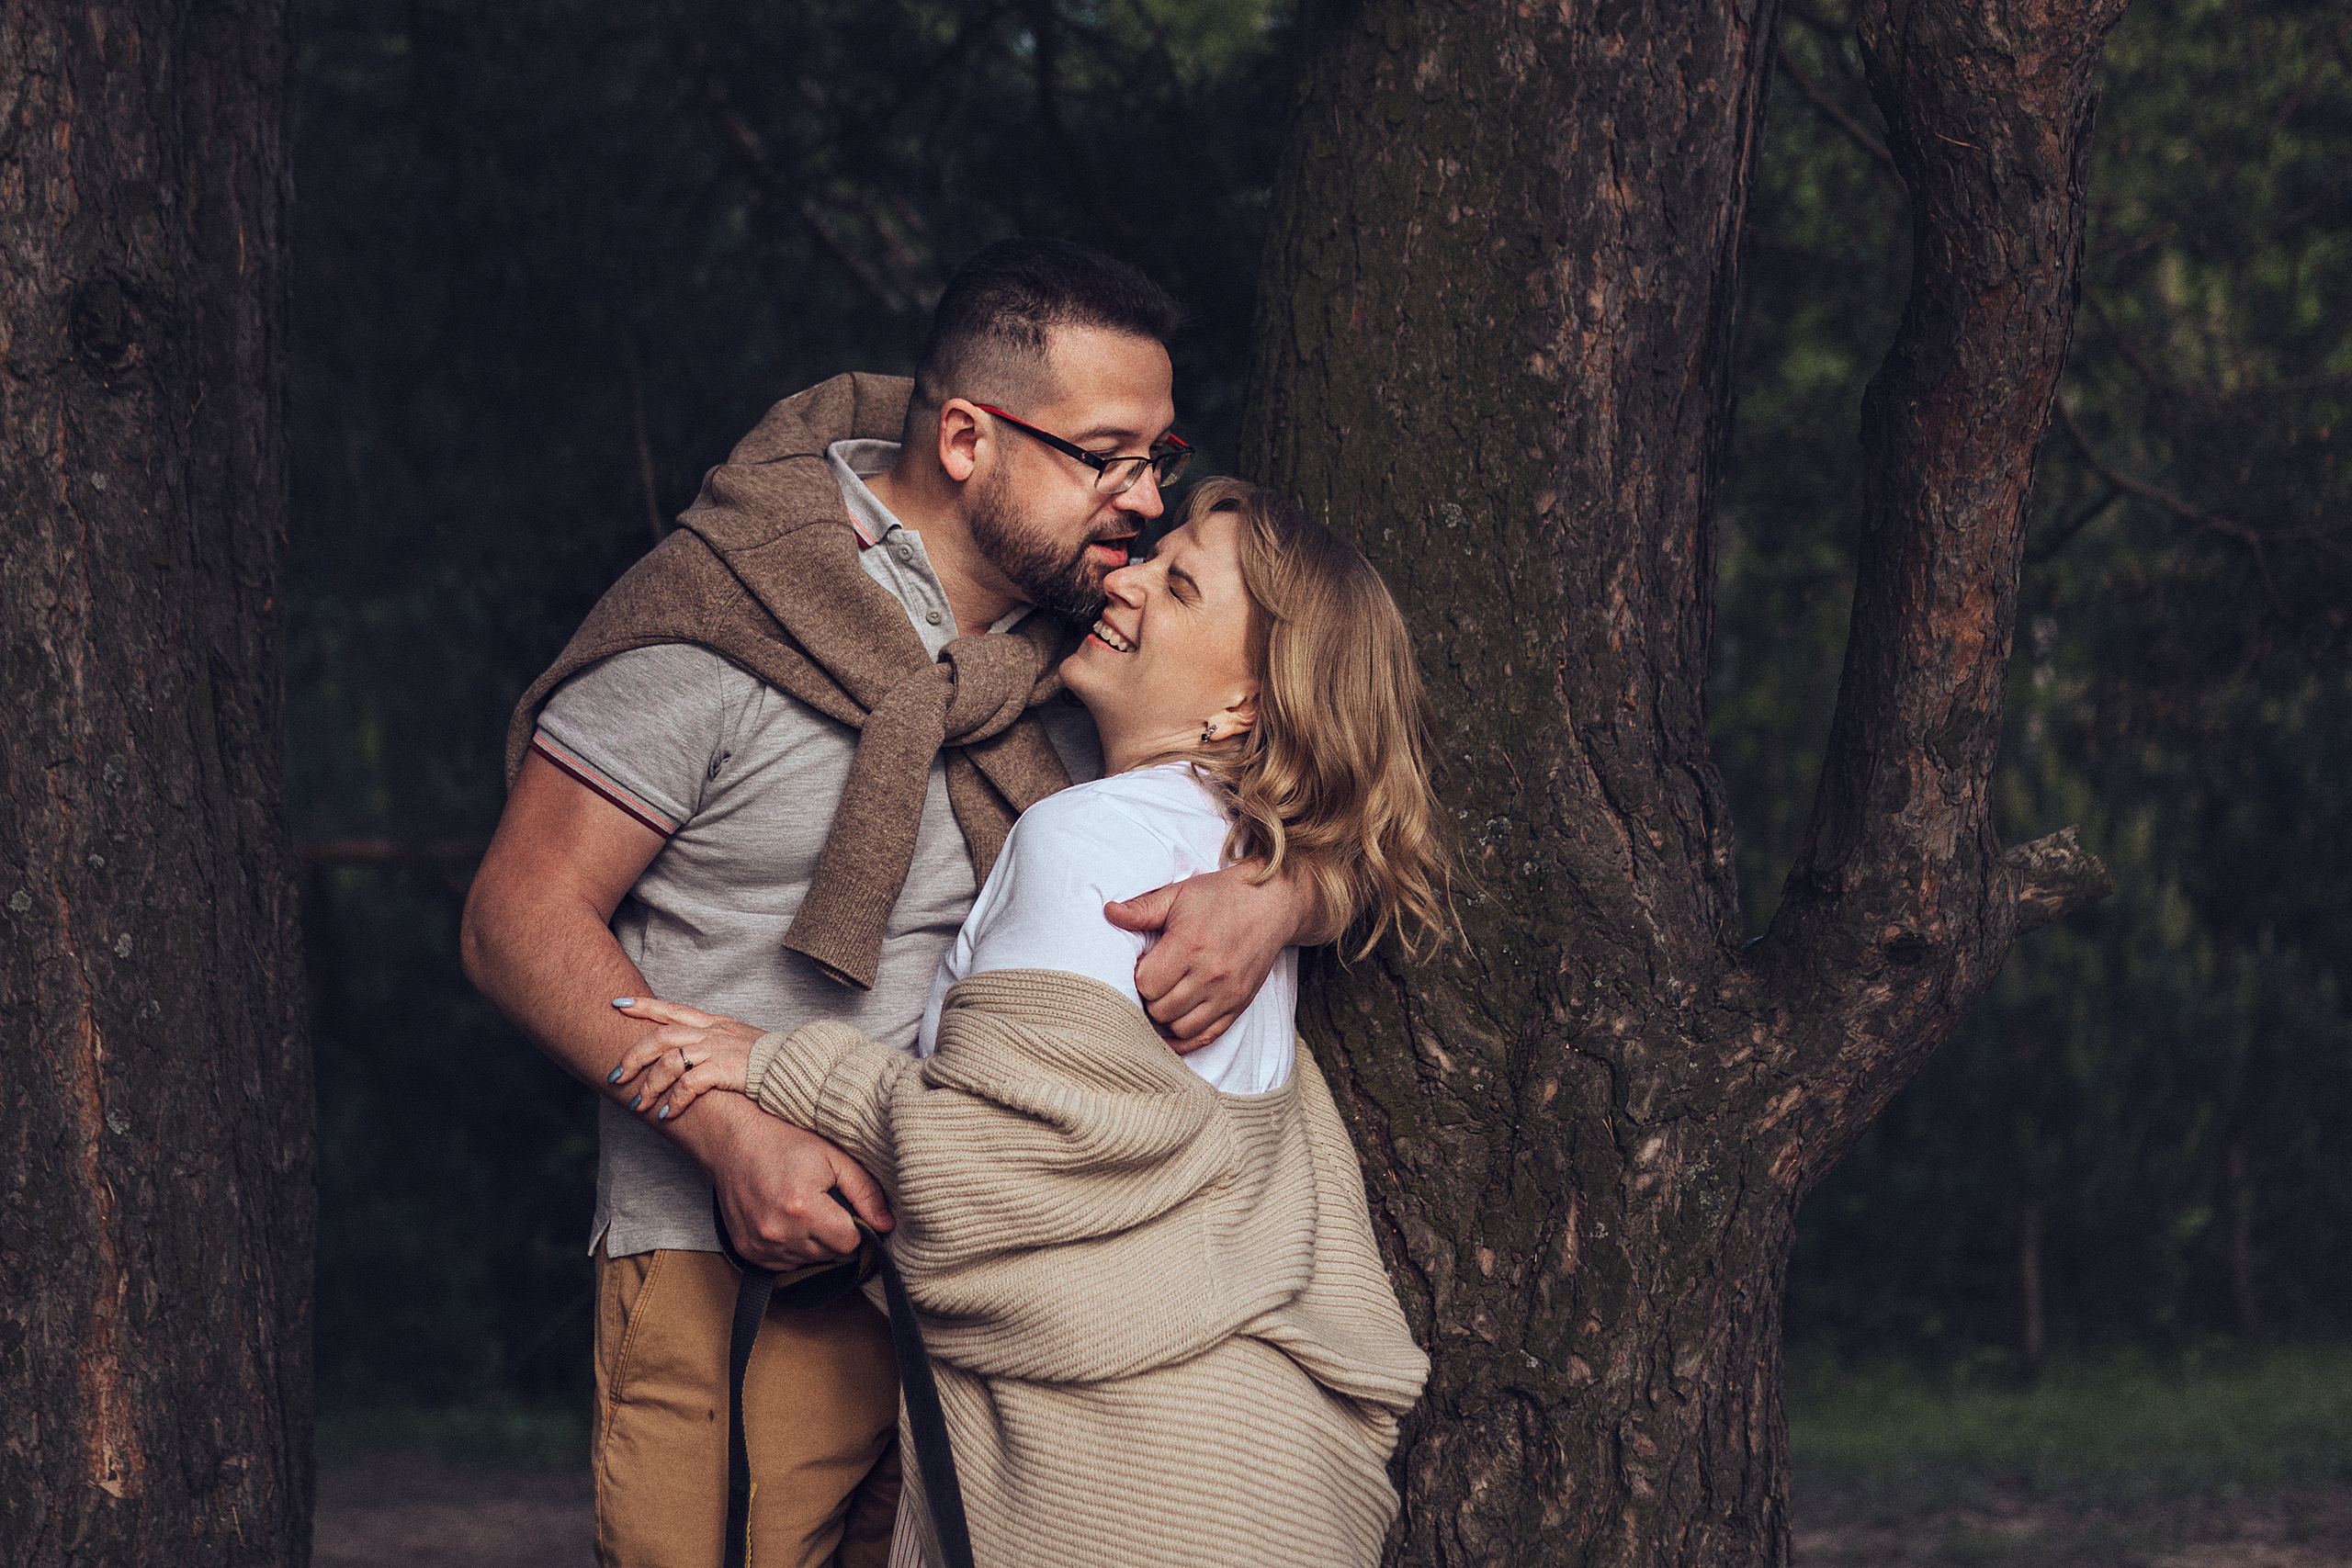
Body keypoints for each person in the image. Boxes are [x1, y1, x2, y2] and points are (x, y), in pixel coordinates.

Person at [459, 242, 1327, 1568]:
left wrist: (1284, 890)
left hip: (966, 1273)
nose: (1145, 501)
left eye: (1159, 454)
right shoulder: (719, 622)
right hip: (726, 1240)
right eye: (1109, 454)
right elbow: (516, 916)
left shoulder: (1086, 652)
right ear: (970, 437)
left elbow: (1318, 776)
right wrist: (725, 1129)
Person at [605, 479, 1446, 1568]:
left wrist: (779, 1066)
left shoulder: (1092, 838)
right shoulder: (1244, 857)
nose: (1129, 574)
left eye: (1179, 584)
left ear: (1244, 706)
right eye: (1154, 551)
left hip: (1134, 1491)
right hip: (1260, 1472)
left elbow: (996, 1176)